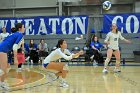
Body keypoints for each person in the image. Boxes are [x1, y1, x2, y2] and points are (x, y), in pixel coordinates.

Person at [0, 23, 24, 90]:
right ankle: (1, 83)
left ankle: (1, 83)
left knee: (7, 68)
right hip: (2, 50)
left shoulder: (14, 34)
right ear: (20, 28)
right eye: (23, 27)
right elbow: (15, 46)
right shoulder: (20, 34)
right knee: (3, 70)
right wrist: (15, 59)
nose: (24, 28)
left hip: (4, 50)